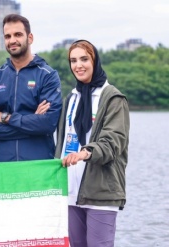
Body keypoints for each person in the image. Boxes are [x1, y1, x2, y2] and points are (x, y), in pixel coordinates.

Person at [55, 40, 130, 247]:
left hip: (101, 191)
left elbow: (114, 141)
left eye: (84, 59)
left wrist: (86, 153)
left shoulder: (113, 98)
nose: (78, 65)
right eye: (73, 60)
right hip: (70, 190)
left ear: (95, 61)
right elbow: (61, 142)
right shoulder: (71, 98)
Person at [0, 14, 62, 162]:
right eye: (7, 36)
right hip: (2, 167)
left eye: (18, 34)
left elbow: (48, 124)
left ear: (30, 38)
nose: (12, 40)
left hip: (38, 165)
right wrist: (32, 126)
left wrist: (5, 118)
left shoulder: (48, 75)